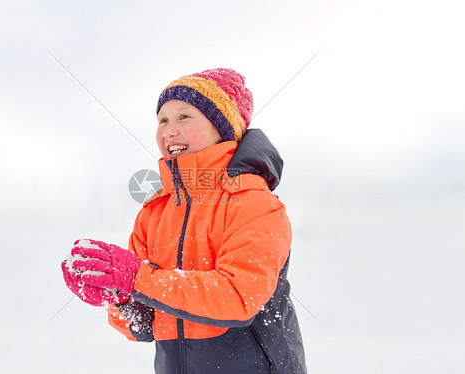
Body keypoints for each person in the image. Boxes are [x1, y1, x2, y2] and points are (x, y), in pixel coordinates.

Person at [61, 68, 307, 373]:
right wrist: (120, 297)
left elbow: (238, 298)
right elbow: (146, 325)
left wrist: (136, 278)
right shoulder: (154, 213)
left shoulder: (252, 201)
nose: (169, 131)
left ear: (222, 128)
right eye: (163, 120)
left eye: (184, 117)